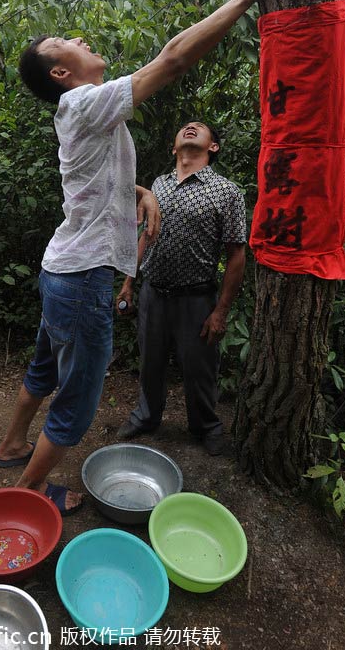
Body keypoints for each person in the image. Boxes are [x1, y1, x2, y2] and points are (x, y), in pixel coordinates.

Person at [0, 0, 277, 514]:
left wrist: (141, 191)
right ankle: (25, 501)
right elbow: (171, 60)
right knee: (77, 402)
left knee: (46, 365)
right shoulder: (83, 101)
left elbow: (92, 183)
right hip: (84, 279)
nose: (79, 36)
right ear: (61, 74)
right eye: (65, 40)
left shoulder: (85, 114)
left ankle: (12, 442)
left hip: (62, 268)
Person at [116, 122, 246, 455]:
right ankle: (146, 417)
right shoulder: (157, 185)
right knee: (151, 362)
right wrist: (129, 282)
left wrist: (220, 312)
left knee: (200, 368)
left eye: (200, 128)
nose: (190, 128)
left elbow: (236, 255)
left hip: (197, 298)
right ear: (174, 148)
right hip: (154, 293)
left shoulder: (226, 191)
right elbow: (146, 234)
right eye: (186, 128)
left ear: (212, 148)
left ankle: (206, 426)